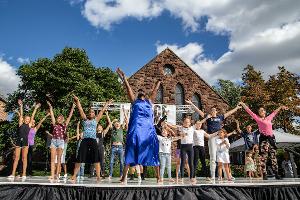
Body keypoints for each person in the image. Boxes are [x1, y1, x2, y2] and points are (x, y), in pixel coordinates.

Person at [116, 68, 161, 183]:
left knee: (152, 150)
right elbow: (128, 88)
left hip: (148, 130)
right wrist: (124, 78)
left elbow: (154, 92)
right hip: (136, 130)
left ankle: (158, 176)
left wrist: (158, 83)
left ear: (145, 94)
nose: (141, 91)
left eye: (142, 91)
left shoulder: (149, 101)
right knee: (131, 150)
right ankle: (124, 176)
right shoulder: (134, 102)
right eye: (139, 91)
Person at [186, 99, 241, 181]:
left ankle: (227, 175)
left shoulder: (220, 117)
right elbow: (198, 110)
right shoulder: (208, 118)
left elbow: (229, 113)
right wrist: (191, 103)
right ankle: (212, 175)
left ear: (216, 111)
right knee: (213, 157)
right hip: (212, 137)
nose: (213, 111)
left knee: (223, 156)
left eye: (214, 110)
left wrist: (236, 108)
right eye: (212, 110)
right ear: (210, 112)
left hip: (220, 138)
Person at [239, 102, 288, 180]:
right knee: (263, 157)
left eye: (262, 110)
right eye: (260, 111)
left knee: (273, 156)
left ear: (265, 111)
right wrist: (243, 104)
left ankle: (276, 173)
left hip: (271, 139)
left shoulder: (269, 118)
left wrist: (281, 107)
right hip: (264, 139)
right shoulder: (258, 119)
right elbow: (249, 111)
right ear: (259, 113)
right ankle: (264, 174)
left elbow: (275, 112)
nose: (261, 112)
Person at [71, 95, 111, 182]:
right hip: (85, 140)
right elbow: (80, 110)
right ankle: (74, 175)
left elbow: (102, 111)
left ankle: (98, 176)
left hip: (93, 140)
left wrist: (107, 103)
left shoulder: (96, 120)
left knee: (96, 158)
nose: (91, 113)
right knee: (79, 158)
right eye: (90, 112)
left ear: (94, 114)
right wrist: (77, 101)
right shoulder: (85, 120)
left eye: (92, 112)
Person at [8, 100, 41, 181]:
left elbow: (33, 115)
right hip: (19, 141)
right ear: (23, 119)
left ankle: (24, 174)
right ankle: (13, 174)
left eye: (28, 119)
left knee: (24, 158)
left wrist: (35, 108)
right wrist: (21, 106)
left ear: (29, 121)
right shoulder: (20, 124)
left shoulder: (29, 125)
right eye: (26, 119)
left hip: (26, 142)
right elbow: (21, 114)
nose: (27, 120)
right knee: (16, 158)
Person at [47, 101, 75, 180]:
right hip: (53, 141)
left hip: (61, 142)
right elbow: (52, 115)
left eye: (60, 118)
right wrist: (50, 107)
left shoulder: (65, 125)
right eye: (57, 118)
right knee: (52, 159)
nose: (58, 119)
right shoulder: (54, 124)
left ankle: (57, 174)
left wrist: (72, 108)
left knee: (59, 159)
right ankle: (52, 175)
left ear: (63, 120)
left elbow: (70, 116)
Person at [27, 112, 50, 176]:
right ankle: (23, 172)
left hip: (31, 145)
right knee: (24, 159)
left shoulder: (35, 129)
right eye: (32, 122)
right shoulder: (27, 127)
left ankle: (29, 172)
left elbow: (40, 122)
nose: (33, 123)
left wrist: (46, 115)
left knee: (30, 159)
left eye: (34, 123)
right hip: (25, 145)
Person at [107, 112, 128, 180]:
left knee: (122, 162)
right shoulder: (112, 129)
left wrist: (126, 114)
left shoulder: (121, 128)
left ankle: (121, 175)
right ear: (114, 124)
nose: (117, 123)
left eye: (118, 122)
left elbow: (125, 121)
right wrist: (107, 114)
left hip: (120, 147)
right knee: (111, 161)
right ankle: (110, 175)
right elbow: (110, 123)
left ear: (119, 124)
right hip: (113, 147)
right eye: (115, 123)